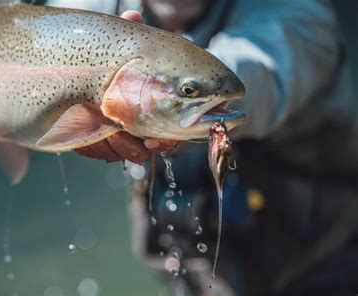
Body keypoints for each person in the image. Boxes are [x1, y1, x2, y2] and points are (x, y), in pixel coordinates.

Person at [44, 0, 358, 296]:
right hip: (190, 267)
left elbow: (255, 75)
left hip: (322, 261)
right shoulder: (90, 10)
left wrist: (151, 106)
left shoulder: (295, 12)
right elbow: (39, 40)